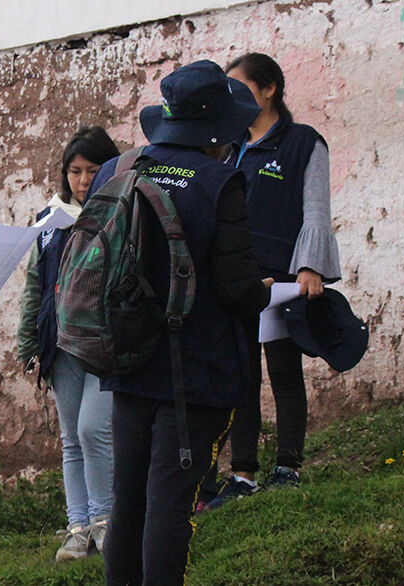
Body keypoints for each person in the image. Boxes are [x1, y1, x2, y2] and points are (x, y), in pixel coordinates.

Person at [92, 61, 273, 585]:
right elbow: (237, 289)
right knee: (170, 507)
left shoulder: (116, 170)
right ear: (218, 128)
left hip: (126, 363)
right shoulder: (220, 182)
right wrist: (265, 295)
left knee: (130, 502)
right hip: (196, 374)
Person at [204, 52, 342, 510]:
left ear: (270, 89)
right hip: (239, 279)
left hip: (284, 277)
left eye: (243, 88)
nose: (235, 99)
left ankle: (288, 467)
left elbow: (316, 209)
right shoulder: (226, 147)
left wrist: (309, 267)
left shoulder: (304, 143)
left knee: (284, 371)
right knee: (241, 375)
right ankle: (242, 473)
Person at [17, 125, 120, 562]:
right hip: (59, 345)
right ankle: (78, 528)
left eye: (92, 170)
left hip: (106, 341)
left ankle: (107, 523)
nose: (82, 181)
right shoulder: (49, 219)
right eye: (74, 171)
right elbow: (34, 284)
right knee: (71, 440)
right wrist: (27, 344)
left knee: (93, 429)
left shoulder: (120, 212)